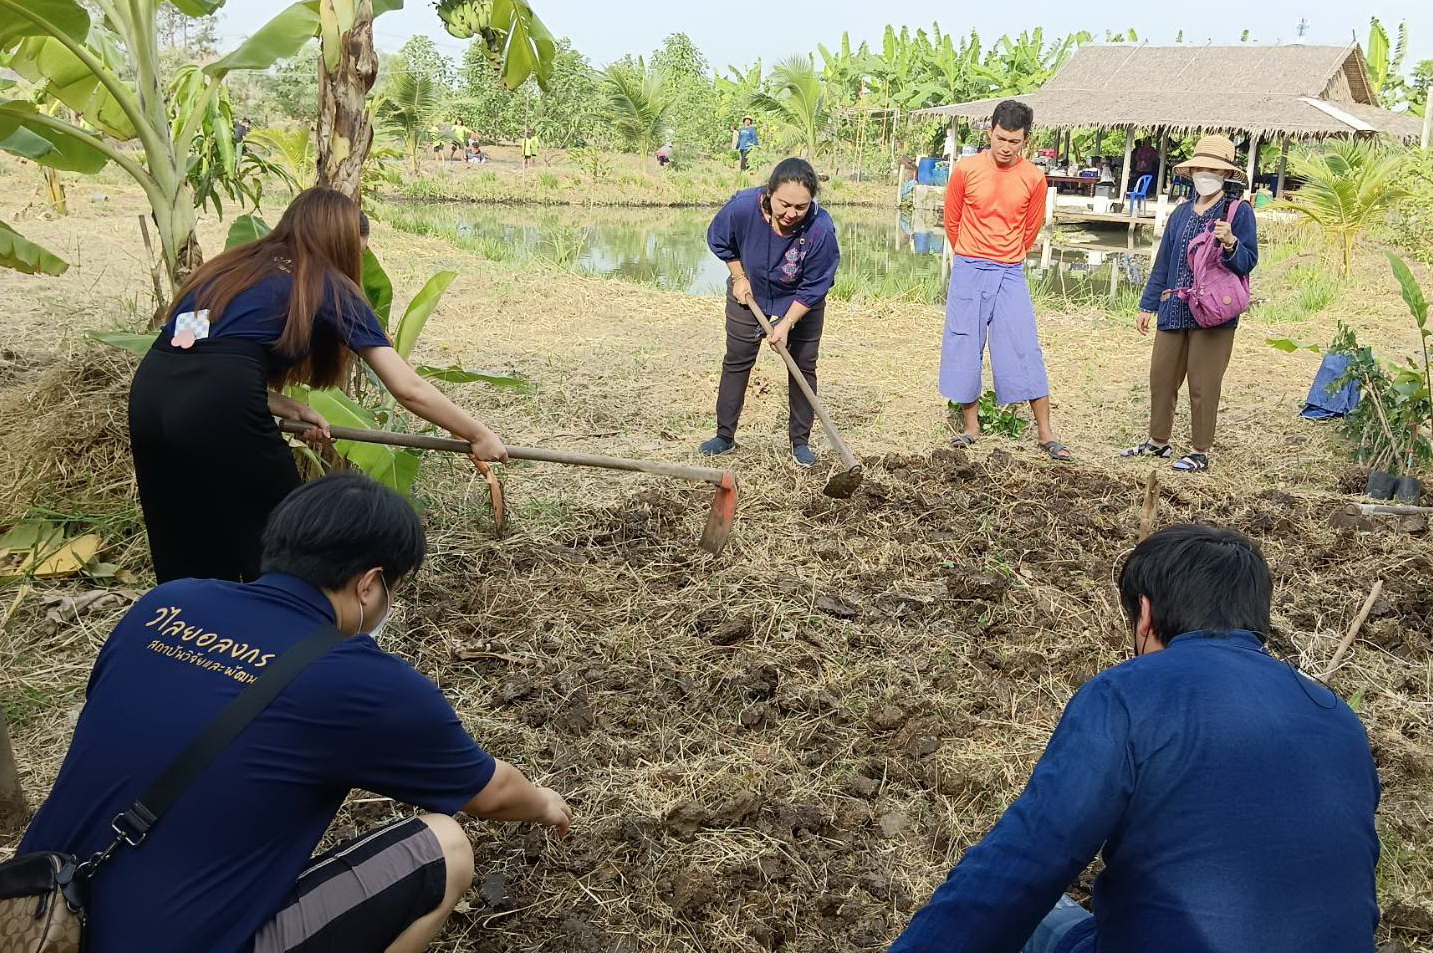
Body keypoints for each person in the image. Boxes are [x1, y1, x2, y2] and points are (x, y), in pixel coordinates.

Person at [19, 472, 573, 953]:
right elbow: (491, 794)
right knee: (444, 847)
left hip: (35, 917)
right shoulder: (364, 681)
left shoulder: (165, 605)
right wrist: (548, 804)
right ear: (369, 584)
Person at [889, 523, 1380, 953]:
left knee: (1045, 914)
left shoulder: (1127, 693)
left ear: (1144, 612)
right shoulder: (1337, 716)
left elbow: (1024, 863)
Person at [128, 187, 507, 584]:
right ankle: (285, 617)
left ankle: (189, 620)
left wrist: (275, 402)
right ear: (339, 244)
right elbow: (406, 386)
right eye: (357, 252)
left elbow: (194, 349)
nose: (355, 263)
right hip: (218, 406)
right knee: (286, 542)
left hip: (152, 393)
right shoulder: (325, 282)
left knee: (186, 539)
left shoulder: (228, 271)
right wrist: (478, 434)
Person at [940, 99, 1069, 461]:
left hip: (1010, 269)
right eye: (1000, 138)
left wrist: (1007, 254)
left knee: (1024, 344)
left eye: (1014, 141)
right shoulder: (966, 169)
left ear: (1025, 140)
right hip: (969, 267)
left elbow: (1031, 228)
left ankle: (1045, 433)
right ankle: (971, 427)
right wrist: (970, 253)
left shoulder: (1034, 177)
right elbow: (952, 220)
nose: (1006, 147)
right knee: (965, 342)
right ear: (990, 132)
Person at [1121, 134, 1258, 472]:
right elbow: (1164, 262)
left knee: (1203, 383)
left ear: (1226, 174)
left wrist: (1230, 243)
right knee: (1161, 377)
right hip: (1174, 306)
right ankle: (1158, 442)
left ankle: (1199, 450)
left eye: (1214, 169)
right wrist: (1147, 305)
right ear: (1193, 171)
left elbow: (1248, 262)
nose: (1206, 174)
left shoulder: (1238, 212)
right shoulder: (1181, 213)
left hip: (1214, 313)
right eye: (1201, 168)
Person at [701, 157, 840, 467]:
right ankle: (724, 436)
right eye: (784, 204)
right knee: (737, 361)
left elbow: (816, 284)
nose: (791, 213)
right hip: (750, 293)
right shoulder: (742, 208)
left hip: (800, 302)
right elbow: (721, 240)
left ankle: (800, 443)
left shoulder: (820, 229)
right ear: (769, 192)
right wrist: (739, 276)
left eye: (801, 207)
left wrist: (787, 322)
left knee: (802, 367)